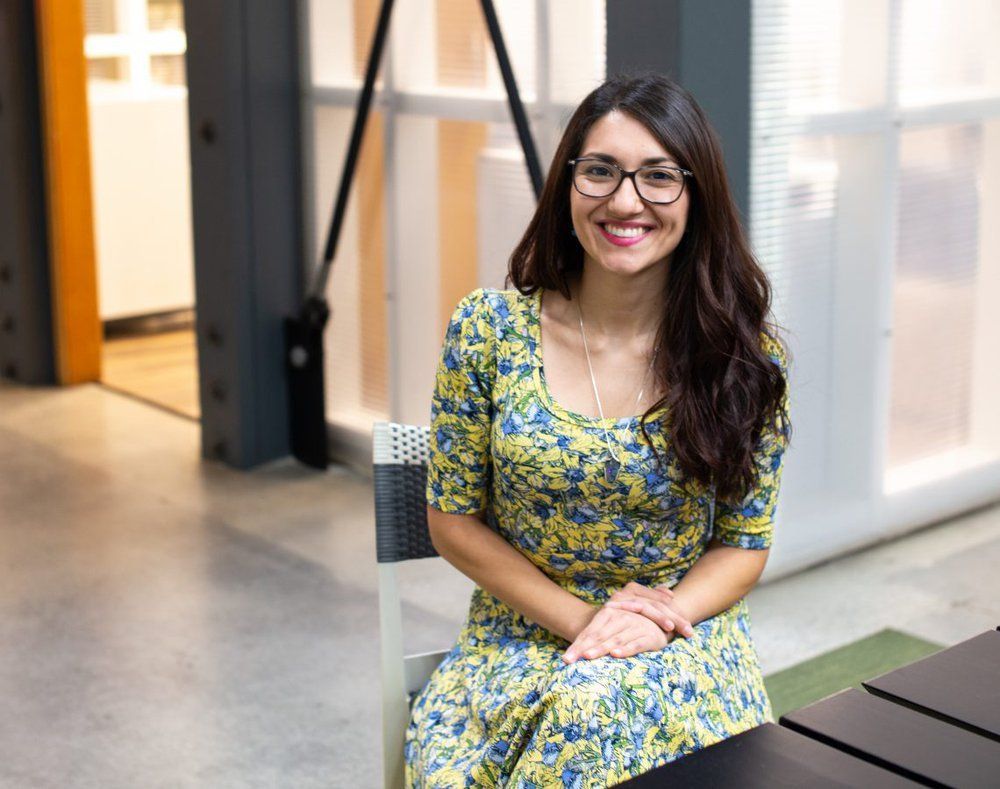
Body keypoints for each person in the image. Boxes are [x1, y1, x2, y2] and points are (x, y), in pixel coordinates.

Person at [405, 72, 792, 788]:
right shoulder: (488, 331)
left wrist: (655, 621)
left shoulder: (741, 358)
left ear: (697, 196)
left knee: (597, 709)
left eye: (658, 176)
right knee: (587, 710)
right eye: (601, 171)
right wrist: (588, 622)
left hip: (680, 642)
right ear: (568, 184)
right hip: (521, 636)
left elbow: (743, 544)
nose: (625, 201)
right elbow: (451, 520)